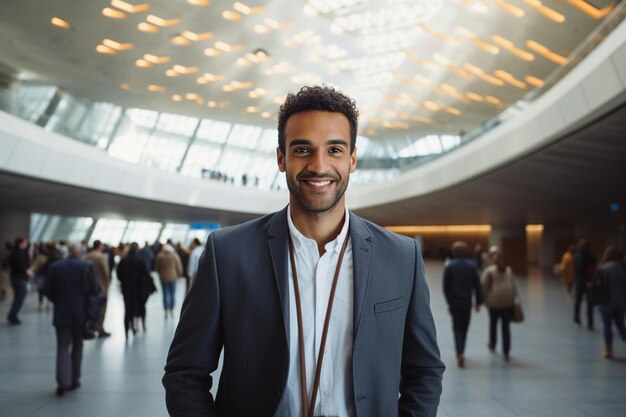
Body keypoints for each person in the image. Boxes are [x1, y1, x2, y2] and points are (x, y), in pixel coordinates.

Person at [163, 85, 444, 417]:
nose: (319, 165)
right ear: (281, 158)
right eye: (302, 149)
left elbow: (424, 372)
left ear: (352, 159)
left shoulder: (400, 257)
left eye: (335, 150)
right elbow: (185, 374)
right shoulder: (228, 254)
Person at [43, 244, 100, 396]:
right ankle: (75, 379)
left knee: (62, 346)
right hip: (81, 314)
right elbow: (95, 290)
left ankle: (63, 382)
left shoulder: (55, 267)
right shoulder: (86, 267)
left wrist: (59, 300)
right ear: (80, 253)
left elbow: (47, 290)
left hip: (61, 313)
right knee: (77, 345)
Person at [443, 241, 483, 367]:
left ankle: (459, 352)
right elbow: (477, 286)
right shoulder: (472, 266)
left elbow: (446, 287)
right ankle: (462, 351)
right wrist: (478, 302)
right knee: (464, 328)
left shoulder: (450, 266)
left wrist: (449, 301)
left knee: (456, 328)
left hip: (455, 302)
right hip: (466, 302)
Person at [481, 250, 519, 361]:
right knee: (505, 327)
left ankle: (492, 343)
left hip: (494, 302)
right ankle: (506, 350)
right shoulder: (508, 270)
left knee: (493, 323)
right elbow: (513, 285)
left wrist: (483, 300)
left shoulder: (489, 271)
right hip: (507, 302)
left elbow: (483, 286)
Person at [117, 242, 153, 337]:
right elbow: (146, 273)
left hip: (127, 289)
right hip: (139, 289)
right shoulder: (141, 260)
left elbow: (119, 275)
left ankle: (128, 328)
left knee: (128, 309)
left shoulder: (124, 261)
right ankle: (143, 324)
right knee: (141, 306)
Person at [596, 246, 626, 359]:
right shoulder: (623, 267)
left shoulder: (605, 268)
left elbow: (600, 285)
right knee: (621, 324)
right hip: (622, 301)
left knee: (607, 325)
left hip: (607, 301)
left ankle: (608, 350)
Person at [85, 240, 111, 337]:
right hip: (101, 286)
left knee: (90, 307)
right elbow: (106, 272)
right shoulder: (101, 257)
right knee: (102, 308)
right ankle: (100, 328)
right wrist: (107, 285)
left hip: (89, 287)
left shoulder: (87, 256)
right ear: (100, 246)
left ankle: (91, 327)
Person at [6, 237, 32, 325]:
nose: (26, 244)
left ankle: (12, 315)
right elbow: (22, 266)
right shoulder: (20, 254)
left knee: (18, 297)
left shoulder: (14, 253)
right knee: (19, 298)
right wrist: (27, 272)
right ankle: (12, 316)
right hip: (20, 278)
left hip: (15, 278)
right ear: (21, 243)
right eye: (25, 243)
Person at [573, 239, 597, 330]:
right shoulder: (591, 256)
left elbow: (576, 269)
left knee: (578, 301)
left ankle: (577, 319)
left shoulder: (576, 256)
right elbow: (595, 268)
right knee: (589, 303)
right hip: (589, 282)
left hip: (579, 281)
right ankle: (590, 323)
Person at [155, 244, 183, 318]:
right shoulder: (174, 255)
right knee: (172, 294)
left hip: (163, 277)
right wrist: (179, 274)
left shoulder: (160, 255)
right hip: (173, 277)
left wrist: (160, 272)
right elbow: (179, 265)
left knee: (165, 294)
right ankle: (172, 309)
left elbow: (157, 267)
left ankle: (165, 309)